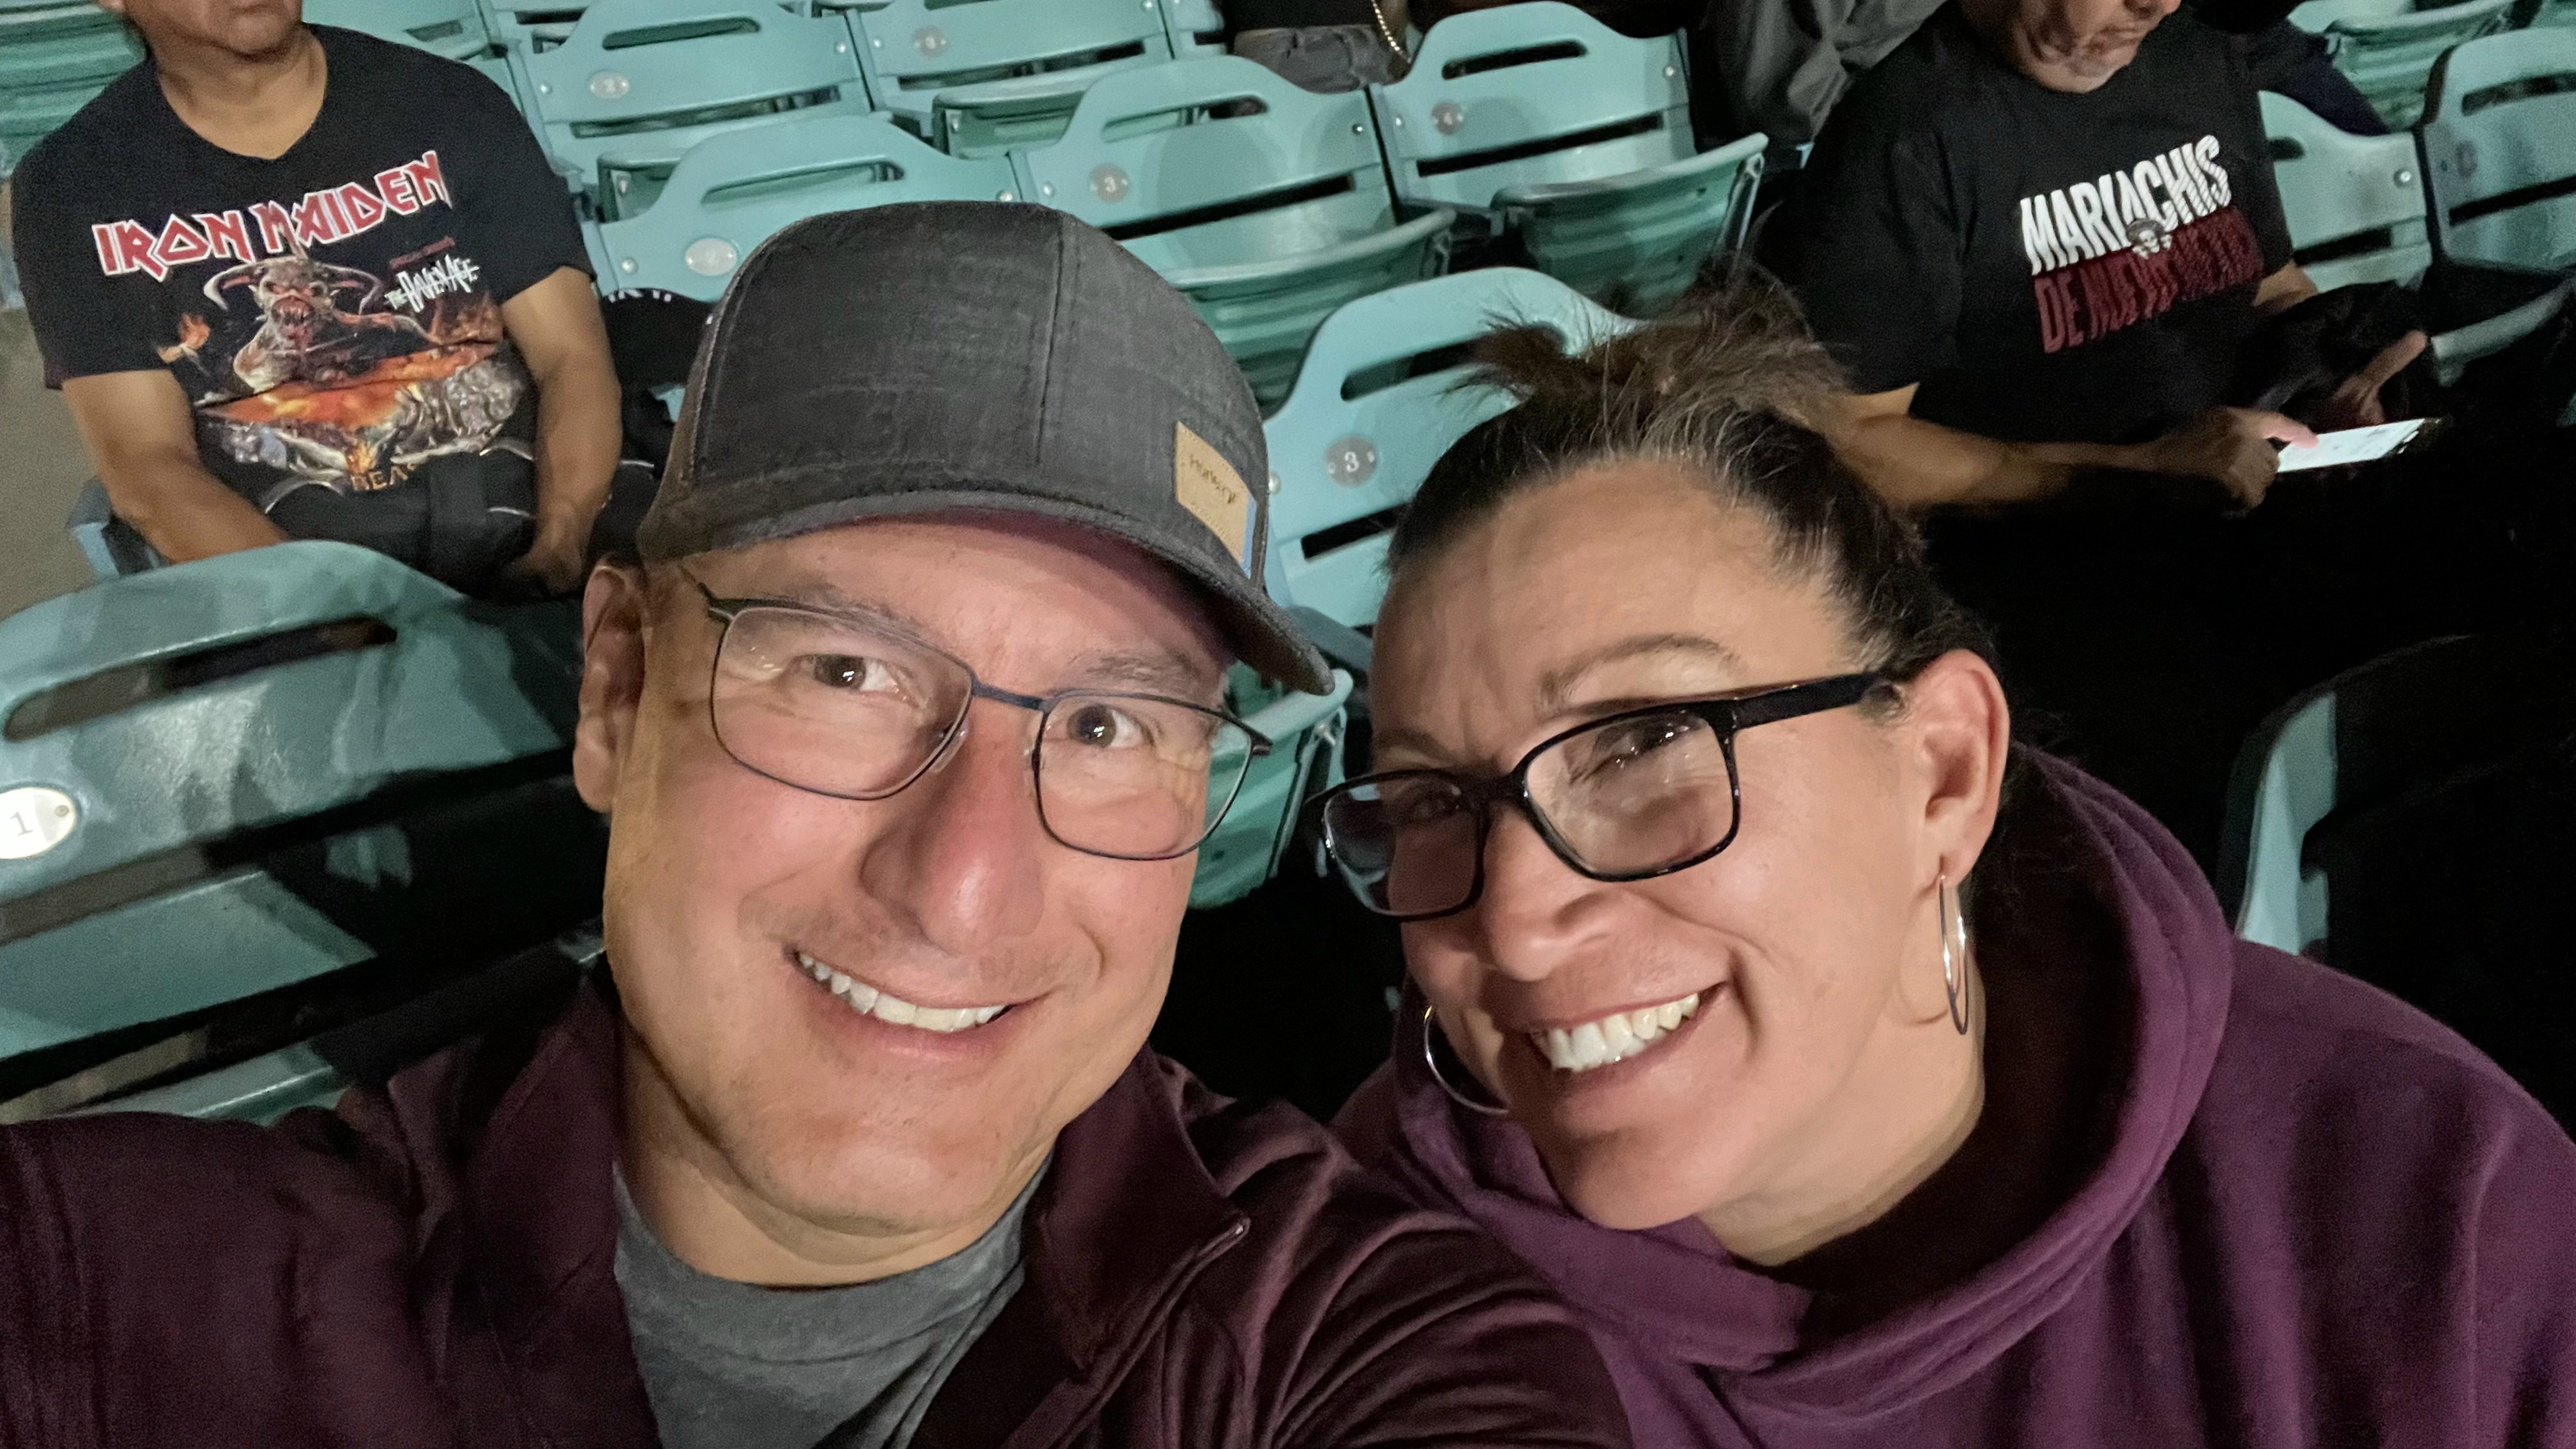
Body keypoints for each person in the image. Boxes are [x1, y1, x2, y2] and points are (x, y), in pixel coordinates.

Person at [0, 204, 1630, 1449]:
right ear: (618, 690)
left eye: (1109, 726)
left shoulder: (1369, 1339)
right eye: (844, 672)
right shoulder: (122, 1298)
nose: (965, 887)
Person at [1319, 284, 2576, 1445]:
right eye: (1434, 801)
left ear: (1943, 773)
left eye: (1646, 743)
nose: (1512, 923)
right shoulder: (1351, 1288)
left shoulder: (2433, 1214)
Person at [9, 0, 622, 595]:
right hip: (296, 560)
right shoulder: (72, 188)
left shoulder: (448, 104)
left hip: (524, 508)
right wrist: (332, 617)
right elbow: (148, 469)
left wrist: (559, 554)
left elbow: (571, 357)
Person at [1770, 0, 2425, 511]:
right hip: (2049, 568)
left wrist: (2328, 384)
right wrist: (2131, 472)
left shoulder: (2197, 56)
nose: (2160, 6)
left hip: (2237, 523)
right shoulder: (1903, 132)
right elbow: (1852, 440)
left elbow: (2271, 284)